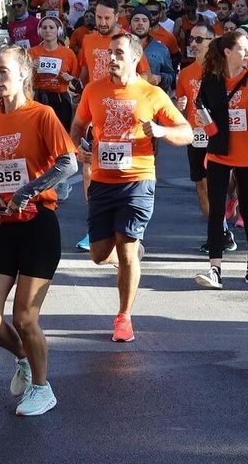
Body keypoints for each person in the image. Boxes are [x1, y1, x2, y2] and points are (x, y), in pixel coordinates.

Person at [0, 46, 79, 416]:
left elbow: (68, 164)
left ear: (23, 76)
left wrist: (27, 191)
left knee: (25, 317)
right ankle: (23, 357)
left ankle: (42, 388)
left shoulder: (42, 115)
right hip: (3, 224)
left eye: (4, 72)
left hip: (38, 225)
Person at [69, 32, 191, 341]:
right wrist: (77, 146)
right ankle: (132, 257)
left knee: (125, 249)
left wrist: (162, 131)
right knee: (99, 254)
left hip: (137, 180)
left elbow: (186, 132)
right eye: (110, 52)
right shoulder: (93, 90)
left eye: (119, 53)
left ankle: (124, 317)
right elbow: (79, 125)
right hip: (101, 180)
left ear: (135, 58)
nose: (111, 58)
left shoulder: (152, 94)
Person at [193, 30, 248, 290]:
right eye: (242, 48)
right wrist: (203, 121)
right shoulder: (211, 79)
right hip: (219, 151)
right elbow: (201, 108)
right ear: (228, 52)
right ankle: (215, 268)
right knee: (217, 211)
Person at [176, 24, 221, 245]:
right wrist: (180, 105)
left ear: (212, 41)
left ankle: (225, 216)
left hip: (219, 134)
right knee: (202, 185)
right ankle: (217, 233)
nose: (193, 44)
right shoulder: (185, 73)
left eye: (199, 40)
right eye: (191, 39)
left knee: (221, 182)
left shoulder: (222, 69)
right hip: (196, 134)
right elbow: (179, 109)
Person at [28, 14, 78, 134]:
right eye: (44, 28)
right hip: (38, 97)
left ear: (58, 30)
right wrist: (30, 68)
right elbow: (23, 78)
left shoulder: (68, 54)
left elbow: (75, 78)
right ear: (40, 31)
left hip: (61, 99)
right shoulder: (32, 52)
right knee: (38, 133)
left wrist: (69, 78)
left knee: (61, 132)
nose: (48, 30)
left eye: (51, 27)